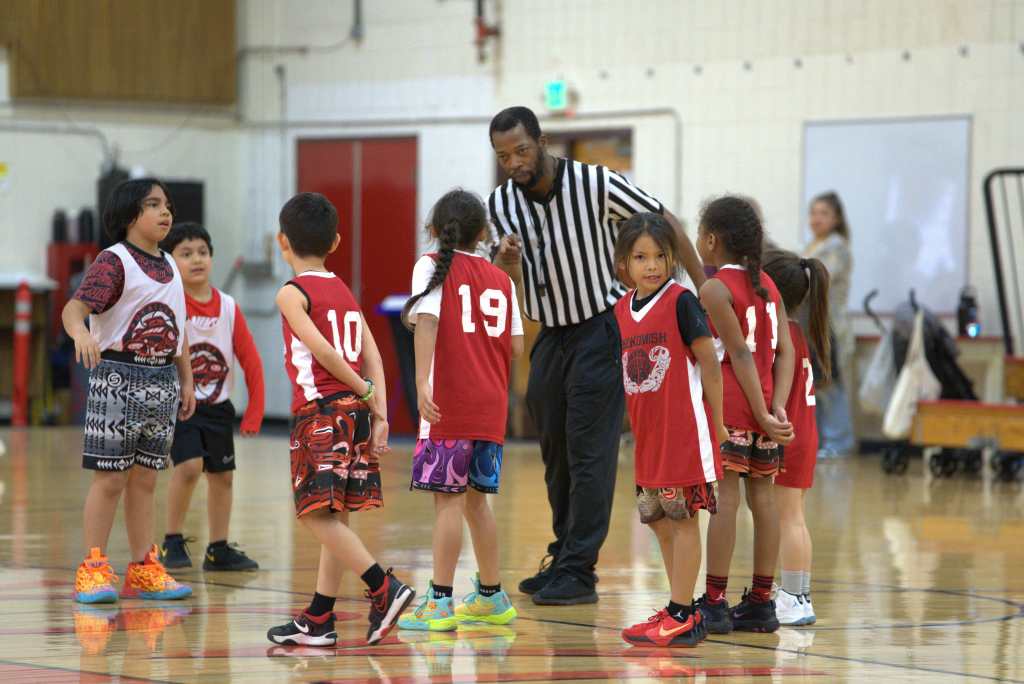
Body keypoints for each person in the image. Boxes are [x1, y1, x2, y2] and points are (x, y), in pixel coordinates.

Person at [487, 106, 706, 605]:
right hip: (550, 334)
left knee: (590, 453)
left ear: (541, 141)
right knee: (555, 453)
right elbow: (501, 277)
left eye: (521, 150)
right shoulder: (499, 204)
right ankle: (564, 552)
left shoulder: (595, 182)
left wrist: (703, 284)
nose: (514, 163)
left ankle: (580, 570)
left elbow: (663, 219)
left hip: (603, 328)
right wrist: (505, 263)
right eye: (503, 157)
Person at [266, 192, 415, 647]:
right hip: (356, 414)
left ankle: (383, 587)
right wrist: (379, 410)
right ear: (335, 242)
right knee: (335, 517)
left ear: (282, 241)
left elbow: (325, 354)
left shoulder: (291, 292)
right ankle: (319, 617)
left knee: (314, 515)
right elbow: (373, 353)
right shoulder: (343, 290)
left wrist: (363, 390)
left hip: (322, 413)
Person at [396, 189, 524, 632]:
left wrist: (421, 382)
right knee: (476, 503)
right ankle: (491, 596)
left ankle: (439, 602)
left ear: (433, 229)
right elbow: (516, 347)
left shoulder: (431, 265)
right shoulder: (501, 279)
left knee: (447, 504)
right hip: (491, 407)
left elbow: (427, 322)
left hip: (448, 402)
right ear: (483, 233)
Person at [63, 177, 194, 604]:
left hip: (163, 380)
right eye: (153, 204)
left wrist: (187, 378)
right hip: (118, 376)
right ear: (128, 214)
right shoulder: (113, 261)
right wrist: (80, 332)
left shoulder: (171, 264)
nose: (165, 211)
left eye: (166, 204)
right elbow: (73, 309)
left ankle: (144, 568)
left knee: (146, 480)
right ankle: (93, 568)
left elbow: (179, 329)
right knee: (110, 479)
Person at [612, 213, 726, 648]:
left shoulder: (681, 301)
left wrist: (718, 424)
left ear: (672, 258)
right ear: (624, 263)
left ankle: (681, 612)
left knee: (683, 521)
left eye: (660, 256)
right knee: (658, 521)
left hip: (684, 433)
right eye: (641, 257)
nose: (652, 265)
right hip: (648, 437)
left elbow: (710, 364)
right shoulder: (621, 309)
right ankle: (682, 608)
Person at [691, 195, 795, 634]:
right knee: (765, 500)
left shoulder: (715, 288)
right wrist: (776, 407)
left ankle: (715, 602)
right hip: (765, 406)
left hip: (733, 405)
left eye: (700, 234)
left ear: (712, 240)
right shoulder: (768, 284)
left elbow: (738, 353)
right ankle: (761, 603)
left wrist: (759, 410)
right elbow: (786, 351)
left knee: (726, 500)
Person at [158, 222, 265, 571]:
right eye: (186, 254)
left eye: (202, 252)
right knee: (190, 467)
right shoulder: (171, 305)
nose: (196, 259)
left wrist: (255, 412)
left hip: (219, 407)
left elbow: (251, 360)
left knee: (223, 477)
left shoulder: (229, 307)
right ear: (170, 262)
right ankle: (171, 540)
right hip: (182, 406)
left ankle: (218, 549)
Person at [762, 248, 831, 626]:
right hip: (806, 433)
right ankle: (799, 596)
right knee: (796, 517)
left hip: (789, 435)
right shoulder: (798, 331)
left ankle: (791, 597)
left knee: (788, 518)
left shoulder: (778, 335)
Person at [804, 191, 855, 458]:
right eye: (813, 212)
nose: (816, 218)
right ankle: (822, 441)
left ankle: (838, 442)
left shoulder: (836, 247)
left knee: (831, 385)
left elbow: (820, 277)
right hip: (814, 327)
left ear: (836, 219)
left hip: (831, 327)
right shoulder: (811, 246)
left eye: (823, 213)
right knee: (816, 385)